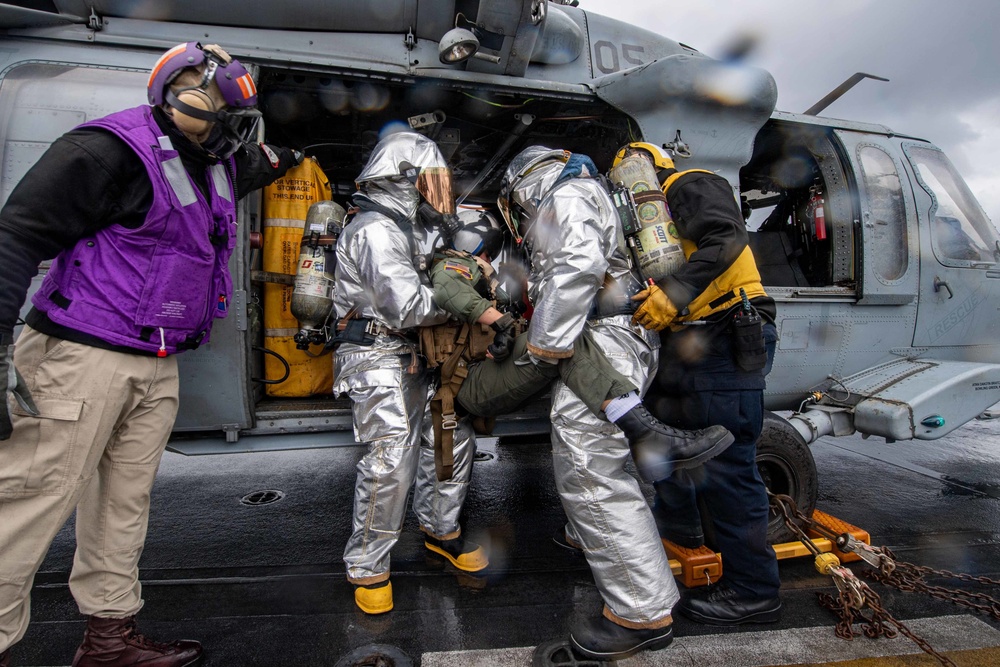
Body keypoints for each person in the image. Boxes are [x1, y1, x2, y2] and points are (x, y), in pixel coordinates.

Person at [0, 42, 302, 666]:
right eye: (217, 111)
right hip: (78, 359)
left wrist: (302, 153)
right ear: (177, 96)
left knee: (122, 503)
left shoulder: (211, 161)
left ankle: (109, 639)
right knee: (26, 508)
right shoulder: (106, 151)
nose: (229, 131)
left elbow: (254, 166)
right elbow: (15, 237)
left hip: (155, 363)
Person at [495, 145, 726, 662]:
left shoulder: (567, 196)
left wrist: (544, 343)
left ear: (522, 188)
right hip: (619, 337)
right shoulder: (589, 192)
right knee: (606, 463)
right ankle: (597, 543)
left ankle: (641, 613)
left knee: (589, 469)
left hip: (605, 338)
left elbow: (576, 264)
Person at [430, 209, 735, 488]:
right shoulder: (453, 263)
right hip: (466, 384)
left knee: (561, 334)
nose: (487, 257)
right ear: (470, 243)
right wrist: (504, 324)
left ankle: (643, 435)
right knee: (558, 336)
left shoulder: (479, 273)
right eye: (486, 250)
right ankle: (644, 434)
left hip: (481, 377)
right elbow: (447, 288)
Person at [625, 141, 782, 625]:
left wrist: (672, 295)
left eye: (629, 170)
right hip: (690, 342)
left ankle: (755, 590)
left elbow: (726, 237)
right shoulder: (649, 224)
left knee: (727, 465)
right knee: (669, 444)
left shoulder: (688, 185)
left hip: (725, 334)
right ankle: (685, 539)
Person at [332, 130, 488, 617]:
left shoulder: (416, 226)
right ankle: (367, 563)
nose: (440, 191)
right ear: (404, 179)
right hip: (377, 355)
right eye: (432, 180)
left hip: (421, 354)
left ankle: (440, 530)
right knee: (391, 457)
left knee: (450, 436)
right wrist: (473, 289)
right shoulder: (375, 229)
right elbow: (408, 306)